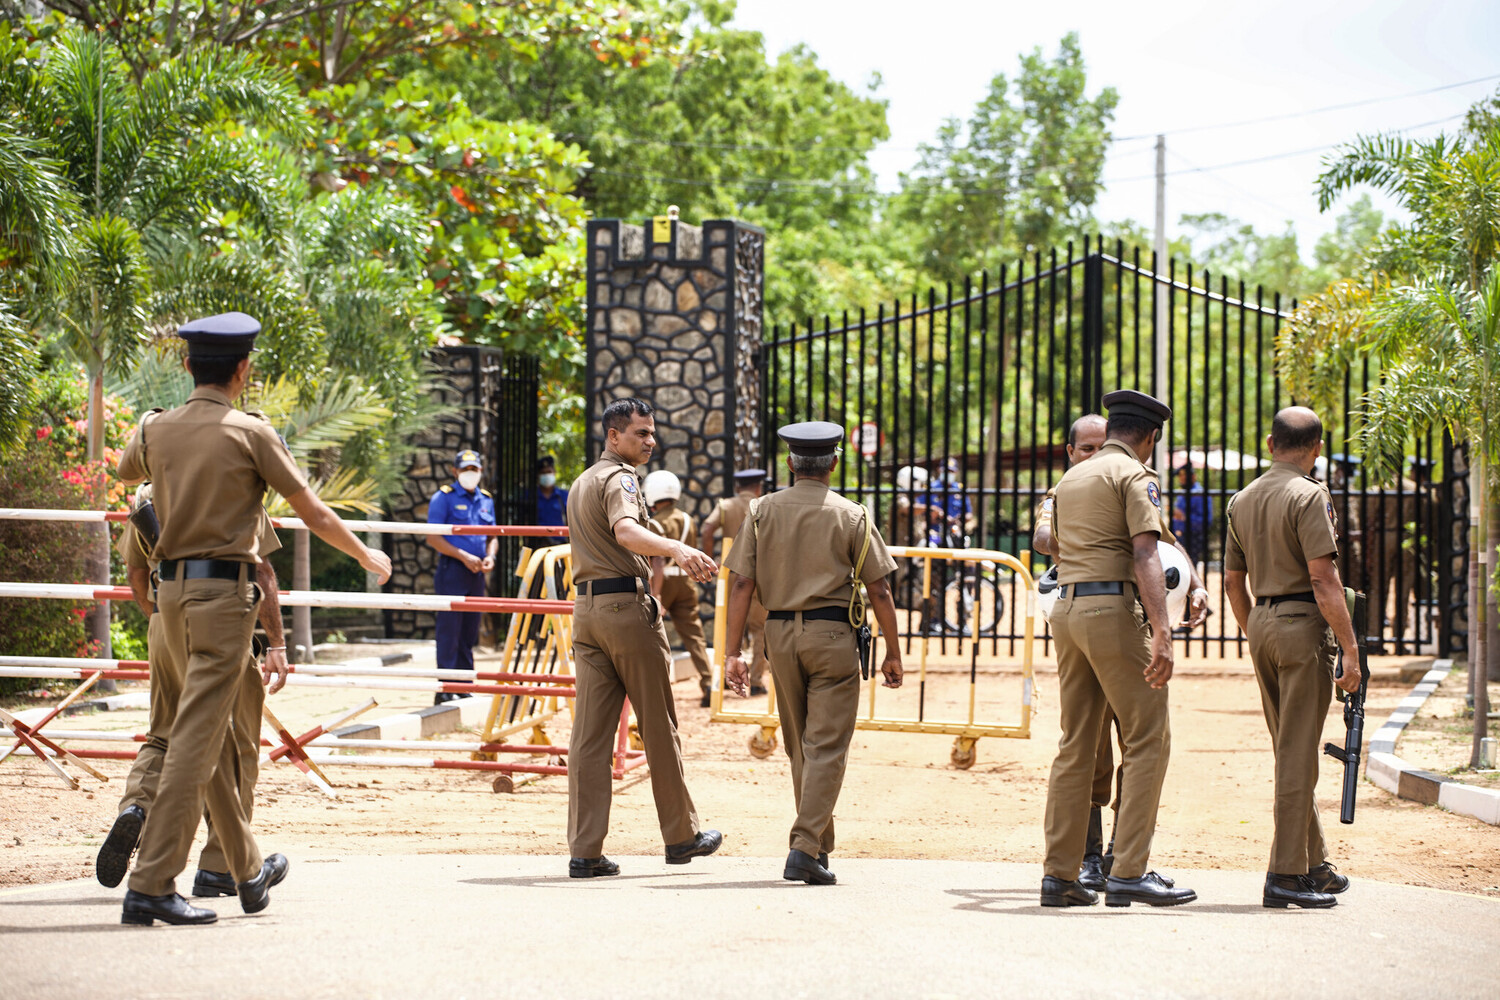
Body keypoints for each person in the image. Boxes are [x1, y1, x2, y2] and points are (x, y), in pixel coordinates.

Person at [115, 311, 392, 927]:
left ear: (186, 364)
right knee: (197, 741)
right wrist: (363, 554)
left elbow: (127, 472)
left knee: (204, 734)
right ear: (242, 370)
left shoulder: (155, 428)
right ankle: (152, 883)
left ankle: (244, 870)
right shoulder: (251, 433)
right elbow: (314, 512)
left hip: (169, 600)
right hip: (221, 601)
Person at [1032, 414, 1208, 893]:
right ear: (1150, 437)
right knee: (1148, 738)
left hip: (1068, 610)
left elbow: (1165, 542)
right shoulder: (1134, 475)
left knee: (1075, 743)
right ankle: (1126, 871)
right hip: (1113, 613)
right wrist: (1162, 631)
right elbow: (1147, 552)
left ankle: (1060, 875)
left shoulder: (1070, 482)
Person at [723, 421, 904, 885]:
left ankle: (818, 845)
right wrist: (893, 651)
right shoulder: (852, 515)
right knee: (826, 745)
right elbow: (880, 590)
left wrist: (732, 652)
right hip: (832, 637)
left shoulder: (761, 511)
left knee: (800, 743)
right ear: (834, 464)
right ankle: (804, 847)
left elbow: (741, 583)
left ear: (790, 462)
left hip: (780, 635)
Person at [97, 487, 287, 899]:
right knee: (238, 746)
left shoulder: (150, 492)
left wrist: (162, 620)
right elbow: (262, 571)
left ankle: (136, 806)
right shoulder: (234, 483)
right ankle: (221, 865)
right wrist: (277, 644)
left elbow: (135, 573)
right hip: (222, 621)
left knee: (163, 735)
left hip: (165, 617)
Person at [564, 397, 723, 878]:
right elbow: (626, 532)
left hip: (587, 612)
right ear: (614, 436)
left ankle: (585, 852)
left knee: (589, 738)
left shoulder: (583, 481)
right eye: (641, 433)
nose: (651, 441)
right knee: (658, 725)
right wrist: (677, 547)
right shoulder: (621, 478)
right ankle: (681, 837)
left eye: (652, 432)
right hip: (625, 611)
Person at [1224, 406, 1362, 909]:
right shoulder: (1309, 495)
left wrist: (1257, 631)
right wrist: (1350, 649)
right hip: (1302, 626)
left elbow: (1232, 582)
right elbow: (1324, 579)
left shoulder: (1242, 498)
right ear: (1317, 449)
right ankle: (1285, 874)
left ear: (1270, 443)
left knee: (1289, 748)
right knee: (1299, 755)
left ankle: (1314, 863)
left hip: (1261, 621)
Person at [426, 449, 498, 703]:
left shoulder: (486, 499)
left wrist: (491, 556)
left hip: (476, 573)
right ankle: (446, 689)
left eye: (474, 469)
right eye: (465, 469)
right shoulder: (443, 498)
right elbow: (433, 537)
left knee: (469, 632)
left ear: (480, 471)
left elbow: (493, 536)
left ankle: (464, 685)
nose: (470, 473)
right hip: (453, 570)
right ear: (454, 471)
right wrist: (463, 556)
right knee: (449, 631)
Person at [643, 469, 714, 707]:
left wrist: (656, 594)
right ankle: (708, 681)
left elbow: (657, 561)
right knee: (694, 635)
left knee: (651, 634)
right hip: (685, 582)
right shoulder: (687, 519)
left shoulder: (655, 523)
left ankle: (653, 687)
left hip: (663, 582)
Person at [700, 469, 770, 696]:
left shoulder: (726, 506)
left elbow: (707, 528)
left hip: (732, 572)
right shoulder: (765, 506)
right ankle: (757, 681)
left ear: (738, 487)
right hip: (761, 574)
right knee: (760, 629)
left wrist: (711, 560)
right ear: (758, 487)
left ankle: (725, 675)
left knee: (727, 625)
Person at [1171, 465, 1214, 570]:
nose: (1181, 479)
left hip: (1193, 538)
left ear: (1193, 476)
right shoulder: (1182, 492)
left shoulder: (1199, 493)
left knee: (1190, 568)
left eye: (1184, 476)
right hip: (1179, 538)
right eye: (1180, 476)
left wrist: (1185, 517)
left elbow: (1206, 521)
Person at [535, 455, 569, 545]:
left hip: (560, 545)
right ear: (538, 475)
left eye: (549, 472)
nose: (546, 475)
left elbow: (570, 520)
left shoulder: (563, 496)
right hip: (537, 544)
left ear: (554, 472)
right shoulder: (531, 496)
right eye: (543, 473)